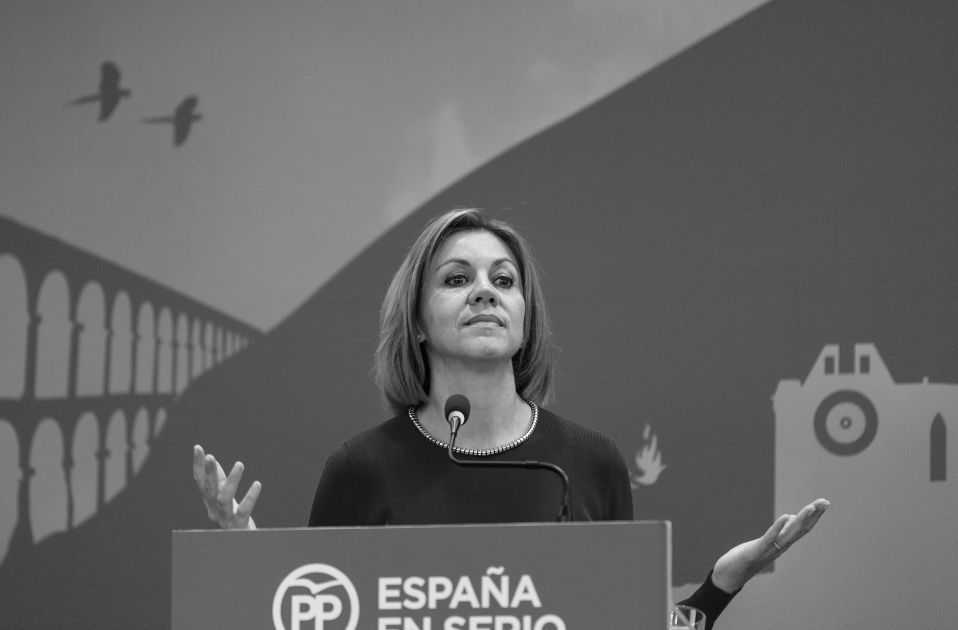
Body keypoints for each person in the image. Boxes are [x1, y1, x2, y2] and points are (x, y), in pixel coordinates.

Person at [193, 208, 829, 629]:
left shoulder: (591, 463)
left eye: (503, 279)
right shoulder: (361, 469)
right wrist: (251, 568)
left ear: (525, 316)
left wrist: (719, 587)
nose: (484, 291)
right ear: (417, 321)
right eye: (455, 279)